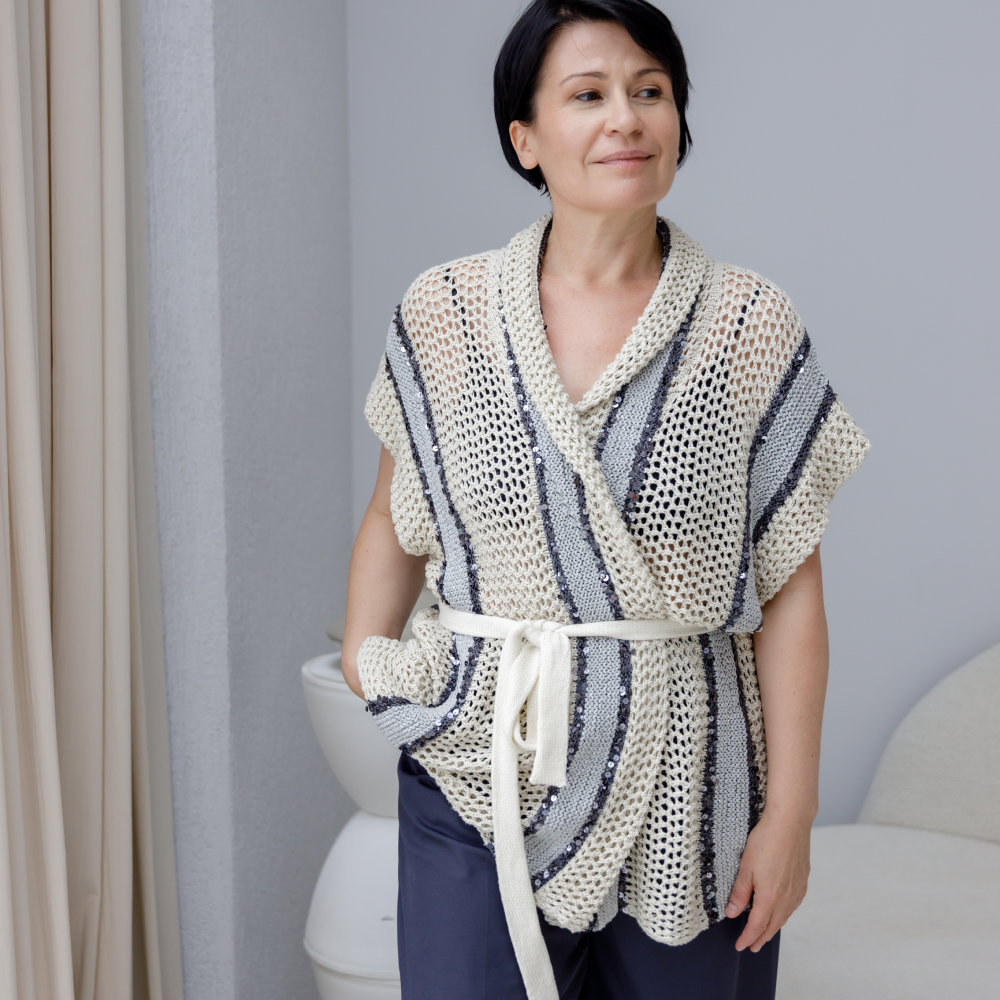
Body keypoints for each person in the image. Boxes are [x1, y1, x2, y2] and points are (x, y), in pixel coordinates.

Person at [341, 2, 869, 998]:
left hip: (691, 779)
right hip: (481, 760)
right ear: (525, 138)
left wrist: (790, 809)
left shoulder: (749, 324)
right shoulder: (444, 312)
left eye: (649, 91)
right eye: (587, 95)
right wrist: (366, 660)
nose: (625, 117)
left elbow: (791, 587)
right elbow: (391, 512)